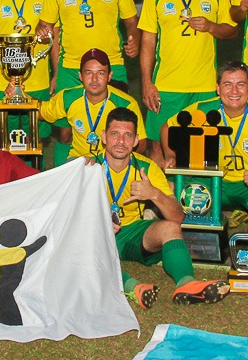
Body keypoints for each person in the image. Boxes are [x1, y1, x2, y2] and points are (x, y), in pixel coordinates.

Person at [97, 107, 229, 308]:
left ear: (136, 141)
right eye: (115, 134)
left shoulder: (147, 168)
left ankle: (187, 283)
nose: (121, 141)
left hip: (132, 232)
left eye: (127, 135)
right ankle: (134, 287)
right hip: (97, 235)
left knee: (170, 228)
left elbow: (178, 217)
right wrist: (99, 221)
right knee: (80, 242)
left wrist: (154, 194)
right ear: (104, 137)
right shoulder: (88, 166)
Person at [39, 0, 139, 166]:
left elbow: (131, 22)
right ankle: (67, 181)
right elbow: (46, 27)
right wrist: (54, 67)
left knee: (115, 128)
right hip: (71, 67)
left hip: (110, 66)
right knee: (65, 133)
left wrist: (133, 39)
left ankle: (112, 182)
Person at [139, 0, 237, 164]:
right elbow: (148, 42)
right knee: (158, 146)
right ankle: (158, 197)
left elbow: (231, 30)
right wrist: (146, 82)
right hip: (165, 85)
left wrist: (211, 26)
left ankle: (197, 196)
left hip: (203, 86)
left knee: (201, 147)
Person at [164, 61, 248, 231]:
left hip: (247, 186)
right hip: (209, 180)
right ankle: (210, 214)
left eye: (241, 84)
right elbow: (167, 127)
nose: (234, 91)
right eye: (227, 84)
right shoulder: (202, 110)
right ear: (218, 88)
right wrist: (170, 155)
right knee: (169, 188)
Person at [38, 48, 144, 163]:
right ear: (80, 76)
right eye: (88, 73)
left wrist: (112, 160)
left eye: (100, 73)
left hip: (112, 161)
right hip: (78, 160)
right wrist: (19, 94)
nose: (94, 79)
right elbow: (41, 112)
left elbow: (141, 144)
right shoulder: (68, 97)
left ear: (109, 76)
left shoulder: (126, 104)